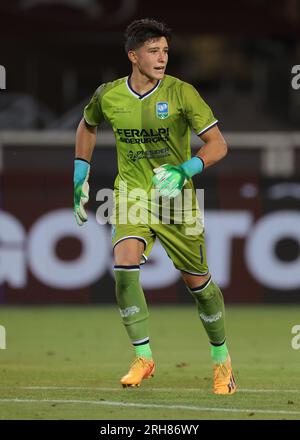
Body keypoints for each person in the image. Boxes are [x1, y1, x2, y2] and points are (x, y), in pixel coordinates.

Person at [74, 18, 237, 395]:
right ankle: (143, 355)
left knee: (200, 287)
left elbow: (218, 144)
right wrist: (79, 174)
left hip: (177, 201)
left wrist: (186, 168)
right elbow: (87, 125)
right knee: (124, 269)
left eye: (165, 50)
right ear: (133, 56)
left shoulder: (182, 93)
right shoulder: (109, 95)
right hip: (132, 194)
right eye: (153, 51)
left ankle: (221, 359)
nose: (162, 57)